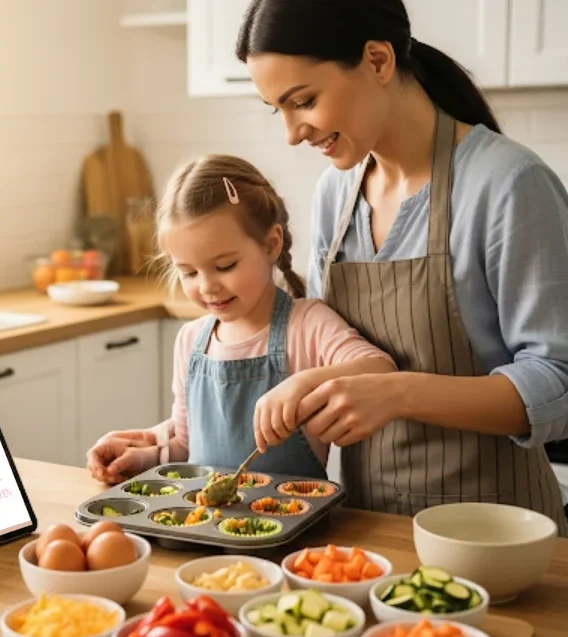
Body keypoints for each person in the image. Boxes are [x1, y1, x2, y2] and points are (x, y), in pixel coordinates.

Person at [230, 0, 568, 532]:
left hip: (498, 536)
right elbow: (326, 343)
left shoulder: (507, 183)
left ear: (378, 60)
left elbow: (557, 380)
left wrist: (396, 392)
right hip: (367, 529)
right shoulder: (335, 195)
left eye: (305, 101)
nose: (294, 133)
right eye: (280, 110)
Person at [86, 154, 395, 483]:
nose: (207, 286)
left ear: (271, 244)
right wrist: (143, 457)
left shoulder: (307, 325)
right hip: (206, 527)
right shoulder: (191, 341)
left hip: (293, 526)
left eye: (225, 266)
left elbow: (381, 370)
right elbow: (186, 447)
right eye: (188, 272)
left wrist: (303, 382)